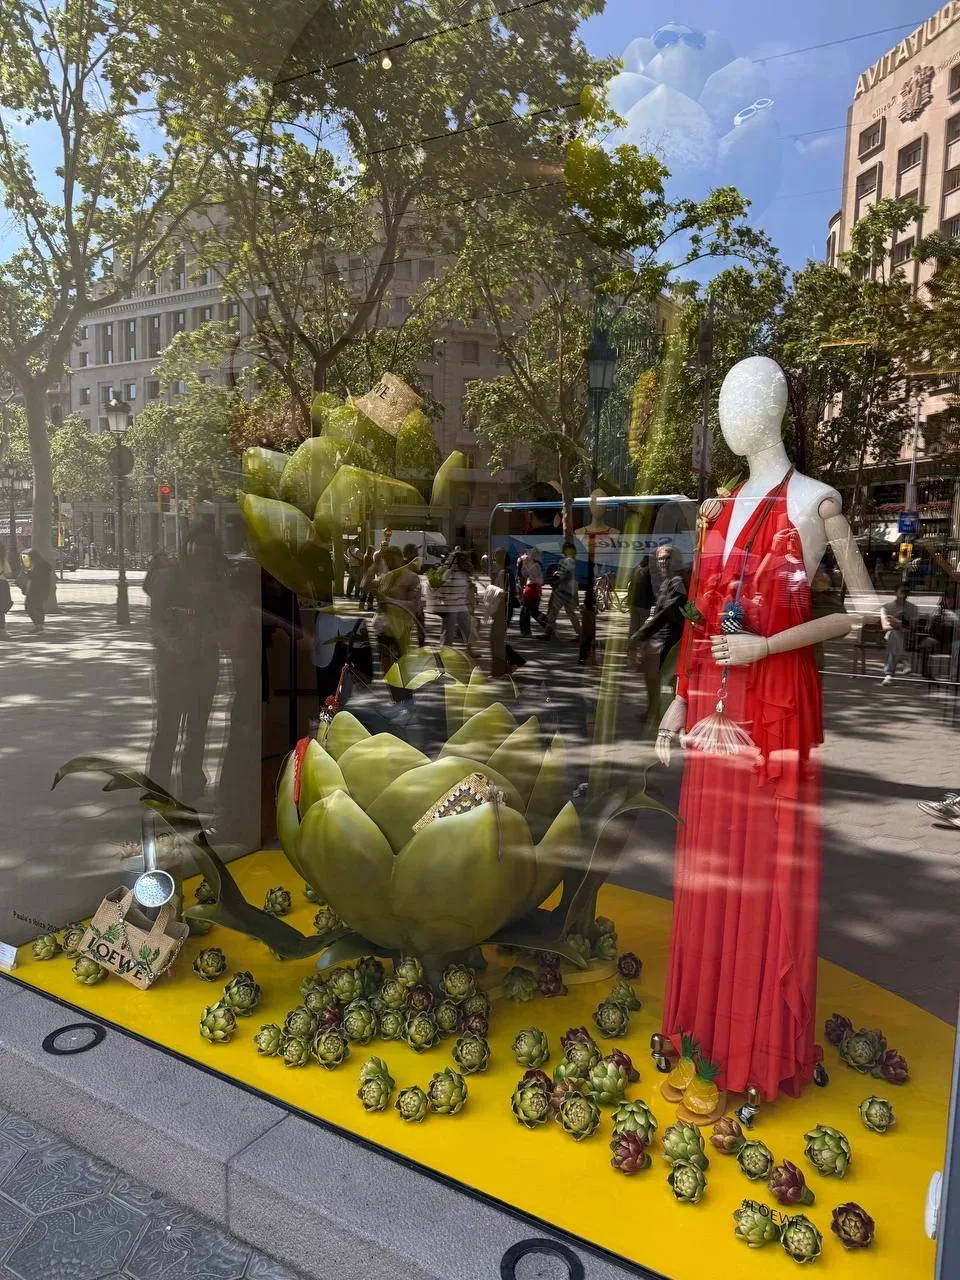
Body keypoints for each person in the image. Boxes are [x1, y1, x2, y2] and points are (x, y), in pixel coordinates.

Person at [146, 524, 227, 803]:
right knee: (168, 728)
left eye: (208, 545)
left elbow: (225, 620)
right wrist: (171, 646)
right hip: (173, 664)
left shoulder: (218, 582)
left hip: (205, 662)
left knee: (197, 728)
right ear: (187, 545)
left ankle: (191, 782)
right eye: (197, 544)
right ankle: (158, 786)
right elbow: (156, 619)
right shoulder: (170, 577)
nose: (202, 551)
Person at [372, 545, 423, 683]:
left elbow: (414, 606)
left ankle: (403, 690)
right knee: (386, 664)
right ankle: (392, 686)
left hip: (401, 628)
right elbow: (365, 585)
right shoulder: (385, 577)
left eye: (392, 560)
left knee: (402, 664)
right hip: (383, 626)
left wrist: (388, 601)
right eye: (386, 560)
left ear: (401, 559)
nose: (389, 563)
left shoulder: (412, 578)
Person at [880, 583, 921, 685]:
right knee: (893, 635)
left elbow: (913, 627)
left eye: (907, 592)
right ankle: (905, 660)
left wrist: (899, 623)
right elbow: (885, 626)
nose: (905, 594)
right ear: (895, 593)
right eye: (902, 591)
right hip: (891, 635)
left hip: (907, 637)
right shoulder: (886, 607)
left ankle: (889, 675)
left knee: (893, 639)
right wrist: (898, 626)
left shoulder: (913, 608)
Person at [542, 540, 581, 641]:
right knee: (570, 613)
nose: (563, 551)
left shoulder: (568, 560)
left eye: (564, 549)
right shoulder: (571, 560)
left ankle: (548, 633)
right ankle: (580, 634)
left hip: (562, 591)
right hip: (568, 591)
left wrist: (556, 581)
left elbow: (565, 574)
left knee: (553, 612)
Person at [439, 549, 473, 647]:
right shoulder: (448, 573)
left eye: (451, 559)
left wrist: (471, 604)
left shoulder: (464, 573)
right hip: (451, 606)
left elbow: (468, 589)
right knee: (448, 631)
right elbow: (442, 589)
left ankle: (470, 649)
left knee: (468, 629)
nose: (448, 561)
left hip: (462, 605)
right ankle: (445, 650)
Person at [17, 547, 53, 633]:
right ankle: (39, 625)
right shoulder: (38, 564)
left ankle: (38, 625)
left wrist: (27, 572)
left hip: (37, 590)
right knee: (36, 607)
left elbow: (37, 576)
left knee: (31, 607)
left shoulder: (41, 565)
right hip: (37, 590)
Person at [517, 546, 544, 636]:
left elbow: (524, 574)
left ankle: (526, 630)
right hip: (535, 589)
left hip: (531, 589)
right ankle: (547, 623)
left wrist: (523, 563)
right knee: (531, 610)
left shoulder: (533, 565)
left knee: (527, 610)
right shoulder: (537, 565)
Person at [0, 546, 13, 637]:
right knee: (1, 608)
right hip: (1, 583)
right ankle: (2, 630)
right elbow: (9, 573)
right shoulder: (2, 559)